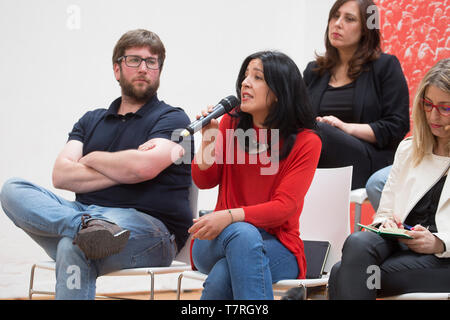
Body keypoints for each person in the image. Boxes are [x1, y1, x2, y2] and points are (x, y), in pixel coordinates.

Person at [0, 29, 194, 299]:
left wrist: (92, 159)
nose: (144, 68)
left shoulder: (173, 119)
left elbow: (143, 168)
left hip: (151, 229)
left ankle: (84, 229)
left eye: (152, 62)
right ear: (117, 69)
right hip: (86, 211)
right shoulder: (91, 120)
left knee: (75, 245)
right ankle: (84, 225)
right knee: (12, 190)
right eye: (134, 60)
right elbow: (61, 175)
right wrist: (126, 168)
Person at [188, 51, 322, 300]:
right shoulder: (229, 122)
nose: (245, 83)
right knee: (242, 235)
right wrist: (208, 139)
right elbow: (204, 180)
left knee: (223, 277)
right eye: (245, 76)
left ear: (280, 92)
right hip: (215, 239)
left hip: (278, 245)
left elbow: (284, 207)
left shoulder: (307, 142)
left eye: (257, 77)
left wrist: (230, 216)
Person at [328, 58, 450, 300]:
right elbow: (384, 212)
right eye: (427, 105)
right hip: (403, 246)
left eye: (444, 107)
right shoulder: (409, 150)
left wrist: (438, 242)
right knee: (358, 242)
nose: (433, 115)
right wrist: (387, 225)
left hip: (443, 258)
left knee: (341, 272)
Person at [303, 0, 410, 189]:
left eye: (349, 19)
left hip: (369, 161)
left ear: (365, 30)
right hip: (318, 157)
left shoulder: (385, 66)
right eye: (335, 16)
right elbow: (299, 118)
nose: (338, 23)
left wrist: (344, 127)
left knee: (320, 131)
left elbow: (397, 126)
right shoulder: (314, 71)